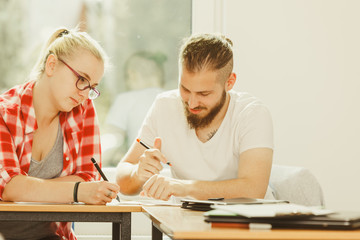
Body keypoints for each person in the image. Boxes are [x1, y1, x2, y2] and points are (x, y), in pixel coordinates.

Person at [116, 33, 274, 201]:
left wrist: (182, 188)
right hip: (187, 222)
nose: (191, 104)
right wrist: (138, 173)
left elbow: (253, 189)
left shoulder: (252, 113)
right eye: (185, 89)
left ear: (230, 82)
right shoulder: (165, 107)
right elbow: (124, 180)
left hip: (250, 223)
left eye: (204, 93)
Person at [0, 27, 119, 240]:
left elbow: (87, 176)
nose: (84, 94)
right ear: (52, 65)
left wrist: (26, 188)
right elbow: (8, 186)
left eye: (91, 87)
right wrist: (76, 191)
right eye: (82, 79)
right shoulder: (5, 112)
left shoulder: (84, 110)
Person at [102, 51, 166, 166]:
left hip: (140, 173)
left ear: (132, 75)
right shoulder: (171, 99)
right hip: (172, 174)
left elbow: (113, 139)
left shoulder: (126, 99)